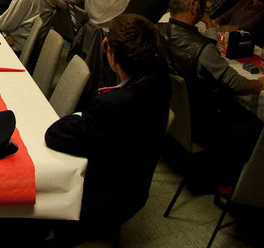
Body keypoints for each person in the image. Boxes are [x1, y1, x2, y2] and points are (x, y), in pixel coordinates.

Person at [45, 14, 171, 236]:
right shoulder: (159, 73)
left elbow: (54, 135)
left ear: (113, 58)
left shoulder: (114, 105)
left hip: (104, 201)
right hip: (134, 184)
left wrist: (78, 116)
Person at [156, 0, 264, 186]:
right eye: (202, 3)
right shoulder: (202, 49)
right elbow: (237, 84)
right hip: (203, 125)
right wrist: (260, 84)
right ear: (193, 6)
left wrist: (210, 28)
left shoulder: (157, 30)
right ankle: (228, 182)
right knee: (258, 124)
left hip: (171, 115)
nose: (205, 7)